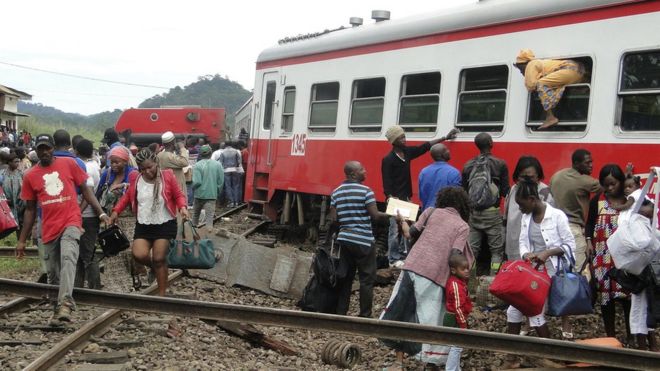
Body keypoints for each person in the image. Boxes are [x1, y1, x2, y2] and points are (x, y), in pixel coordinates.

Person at [17, 134, 110, 325]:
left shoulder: (69, 164)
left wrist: (101, 213)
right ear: (36, 150)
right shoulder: (30, 175)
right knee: (53, 273)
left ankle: (65, 303)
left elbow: (86, 190)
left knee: (69, 258)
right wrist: (21, 240)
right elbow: (30, 209)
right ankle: (57, 309)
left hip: (71, 221)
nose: (44, 152)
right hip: (49, 227)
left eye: (47, 148)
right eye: (40, 148)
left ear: (52, 148)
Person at [385, 187, 473, 370]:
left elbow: (410, 234)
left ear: (442, 200)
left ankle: (398, 362)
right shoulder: (463, 226)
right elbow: (455, 255)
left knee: (402, 312)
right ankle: (431, 362)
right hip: (436, 276)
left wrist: (401, 221)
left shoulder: (430, 211)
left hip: (412, 267)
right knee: (431, 319)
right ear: (463, 206)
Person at [503, 178, 576, 368]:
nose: (519, 209)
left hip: (553, 272)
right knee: (518, 309)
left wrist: (547, 253)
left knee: (530, 309)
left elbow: (570, 245)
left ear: (533, 199)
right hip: (534, 272)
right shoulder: (527, 218)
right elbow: (522, 243)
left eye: (521, 204)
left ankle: (547, 355)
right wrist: (527, 253)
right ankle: (543, 355)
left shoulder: (557, 216)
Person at [109, 148, 189, 296]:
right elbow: (127, 197)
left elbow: (178, 195)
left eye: (149, 167)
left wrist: (183, 207)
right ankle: (157, 268)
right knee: (138, 254)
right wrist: (116, 211)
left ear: (156, 164)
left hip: (164, 223)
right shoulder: (135, 178)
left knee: (159, 257)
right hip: (144, 223)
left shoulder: (167, 176)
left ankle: (162, 295)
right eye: (142, 168)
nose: (146, 171)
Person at [381, 125, 459, 267]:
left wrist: (445, 137)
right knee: (394, 230)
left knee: (407, 228)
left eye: (404, 136)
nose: (404, 139)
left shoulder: (407, 153)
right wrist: (390, 197)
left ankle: (404, 255)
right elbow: (386, 181)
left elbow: (425, 147)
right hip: (395, 199)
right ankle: (393, 259)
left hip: (406, 198)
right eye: (400, 138)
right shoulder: (388, 159)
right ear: (393, 141)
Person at [329, 161, 389, 318]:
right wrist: (394, 215)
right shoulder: (366, 191)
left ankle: (340, 313)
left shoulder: (336, 192)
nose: (365, 171)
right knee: (366, 280)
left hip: (344, 240)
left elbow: (334, 220)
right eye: (362, 169)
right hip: (363, 241)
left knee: (346, 278)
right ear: (353, 174)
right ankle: (365, 315)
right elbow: (375, 216)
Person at [585, 164, 631, 339]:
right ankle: (610, 335)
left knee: (628, 295)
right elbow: (589, 223)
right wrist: (588, 241)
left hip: (624, 256)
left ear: (620, 182)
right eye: (607, 185)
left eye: (614, 184)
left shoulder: (629, 200)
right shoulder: (598, 200)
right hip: (602, 254)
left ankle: (632, 334)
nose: (610, 188)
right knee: (606, 296)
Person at [461, 132, 509, 275]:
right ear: (491, 143)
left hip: (474, 214)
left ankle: (471, 281)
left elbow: (464, 191)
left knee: (472, 250)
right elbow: (505, 191)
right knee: (496, 251)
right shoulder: (500, 164)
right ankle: (493, 280)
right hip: (492, 214)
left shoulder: (468, 165)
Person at [550, 149, 601, 272]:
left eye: (591, 162)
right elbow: (609, 185)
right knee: (580, 268)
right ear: (576, 163)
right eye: (587, 162)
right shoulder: (584, 180)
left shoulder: (557, 175)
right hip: (574, 229)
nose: (591, 165)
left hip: (555, 227)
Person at [514, 49, 585, 129]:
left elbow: (531, 85)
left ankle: (550, 117)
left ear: (524, 64)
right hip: (578, 70)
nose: (521, 72)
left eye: (520, 68)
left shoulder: (531, 64)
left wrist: (534, 81)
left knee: (541, 84)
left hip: (569, 70)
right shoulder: (541, 64)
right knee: (549, 85)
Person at [504, 156, 554, 261]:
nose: (527, 181)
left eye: (530, 177)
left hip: (537, 249)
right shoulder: (513, 190)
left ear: (538, 176)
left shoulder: (544, 192)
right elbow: (506, 217)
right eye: (523, 177)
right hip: (514, 244)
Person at [73, 139, 102, 289]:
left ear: (76, 151)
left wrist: (77, 212)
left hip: (85, 215)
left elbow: (87, 193)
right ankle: (78, 286)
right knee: (82, 254)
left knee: (88, 254)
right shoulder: (95, 166)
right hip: (91, 215)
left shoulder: (84, 168)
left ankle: (95, 288)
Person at [444, 252, 473, 371]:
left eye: (467, 268)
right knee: (456, 346)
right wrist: (463, 324)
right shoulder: (456, 285)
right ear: (454, 270)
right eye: (463, 269)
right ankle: (450, 369)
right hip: (454, 319)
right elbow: (457, 307)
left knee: (456, 345)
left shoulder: (460, 282)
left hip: (456, 317)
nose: (467, 271)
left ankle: (455, 368)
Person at [418, 143, 462, 211]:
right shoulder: (454, 172)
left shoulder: (423, 172)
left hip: (427, 213)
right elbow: (456, 198)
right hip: (446, 215)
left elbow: (422, 196)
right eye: (446, 150)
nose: (449, 151)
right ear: (442, 155)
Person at [192, 145, 224, 233]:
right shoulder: (218, 165)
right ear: (210, 153)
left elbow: (197, 182)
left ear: (201, 154)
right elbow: (220, 182)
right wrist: (217, 192)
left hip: (198, 195)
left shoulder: (197, 165)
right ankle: (208, 236)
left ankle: (193, 235)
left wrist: (193, 188)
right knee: (209, 218)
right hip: (211, 195)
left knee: (195, 216)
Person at [157, 131, 189, 205]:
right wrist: (182, 148)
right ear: (173, 142)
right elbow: (185, 162)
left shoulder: (160, 155)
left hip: (166, 188)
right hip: (176, 190)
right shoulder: (169, 156)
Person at [0, 153, 24, 238]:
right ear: (9, 162)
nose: (17, 163)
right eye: (15, 162)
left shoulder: (20, 174)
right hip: (6, 205)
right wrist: (4, 200)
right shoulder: (2, 174)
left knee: (20, 224)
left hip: (19, 205)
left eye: (18, 161)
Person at [219, 141, 244, 207]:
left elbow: (220, 162)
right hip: (235, 170)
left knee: (228, 186)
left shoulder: (223, 152)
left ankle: (231, 202)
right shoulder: (235, 151)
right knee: (236, 186)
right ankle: (236, 202)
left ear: (225, 145)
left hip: (226, 170)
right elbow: (239, 162)